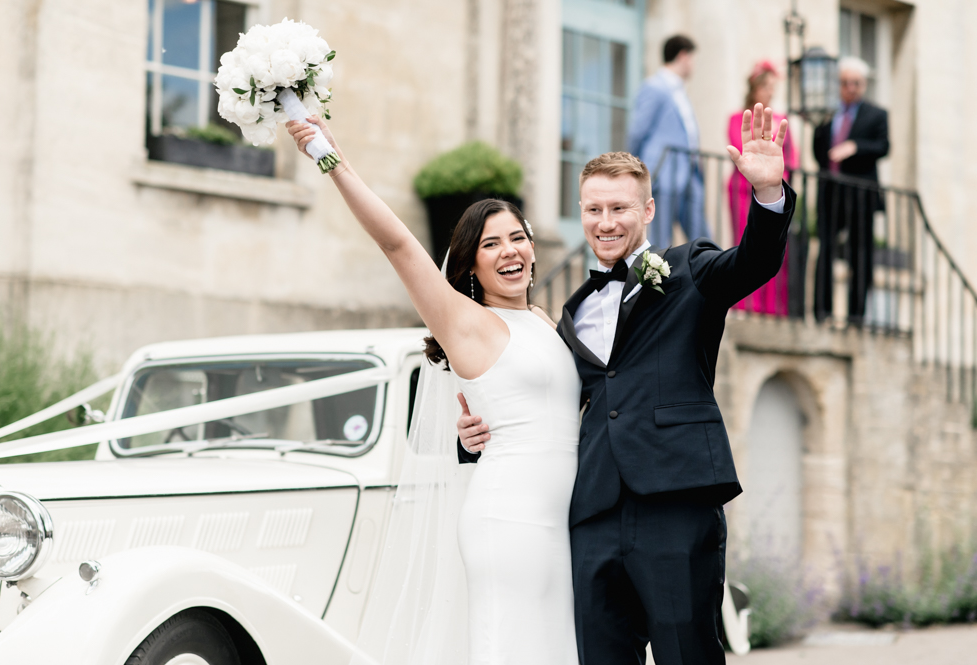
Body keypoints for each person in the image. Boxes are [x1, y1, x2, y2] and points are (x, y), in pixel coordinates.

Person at [459, 104, 795, 665]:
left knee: (687, 654)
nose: (606, 222)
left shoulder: (690, 269)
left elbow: (754, 263)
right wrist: (472, 435)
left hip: (675, 500)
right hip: (592, 511)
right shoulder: (570, 311)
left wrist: (767, 194)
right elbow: (545, 398)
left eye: (619, 208)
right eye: (594, 209)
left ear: (648, 210)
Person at [287, 118, 582, 665]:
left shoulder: (543, 320)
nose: (509, 251)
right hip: (509, 521)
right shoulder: (466, 323)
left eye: (517, 237)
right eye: (490, 244)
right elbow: (397, 244)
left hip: (563, 524)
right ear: (470, 264)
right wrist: (334, 161)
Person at [813, 56, 889, 324]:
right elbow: (819, 152)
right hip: (831, 194)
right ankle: (822, 311)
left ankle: (856, 317)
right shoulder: (828, 115)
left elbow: (883, 146)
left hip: (860, 195)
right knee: (825, 250)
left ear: (864, 84)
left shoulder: (876, 114)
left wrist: (855, 146)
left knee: (860, 254)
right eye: (845, 83)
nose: (850, 88)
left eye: (855, 83)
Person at [727, 60, 799, 316]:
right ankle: (746, 301)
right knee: (745, 241)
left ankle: (773, 306)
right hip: (742, 189)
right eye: (766, 86)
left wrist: (779, 177)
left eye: (773, 87)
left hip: (775, 187)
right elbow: (740, 149)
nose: (771, 92)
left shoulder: (781, 120)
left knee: (775, 245)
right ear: (755, 88)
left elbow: (793, 157)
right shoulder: (738, 118)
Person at [627, 34, 711, 249]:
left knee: (703, 239)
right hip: (662, 174)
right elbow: (637, 131)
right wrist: (632, 170)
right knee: (659, 242)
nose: (693, 65)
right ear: (683, 56)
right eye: (692, 58)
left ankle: (710, 268)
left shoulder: (680, 91)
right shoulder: (654, 87)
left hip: (690, 174)